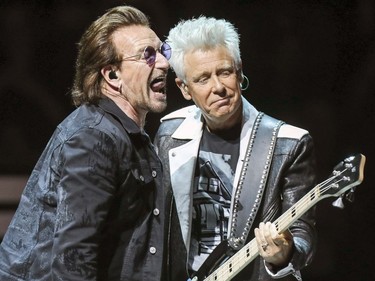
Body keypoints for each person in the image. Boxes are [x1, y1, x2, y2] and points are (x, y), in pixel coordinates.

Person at [0, 5, 170, 281]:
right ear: (112, 75)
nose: (163, 63)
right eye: (148, 55)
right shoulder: (95, 138)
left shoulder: (121, 134)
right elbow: (73, 261)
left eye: (163, 51)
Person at [154, 16, 317, 281]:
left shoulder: (287, 144)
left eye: (225, 72)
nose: (218, 87)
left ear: (239, 72)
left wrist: (283, 253)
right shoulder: (170, 133)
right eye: (203, 78)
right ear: (184, 88)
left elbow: (302, 233)